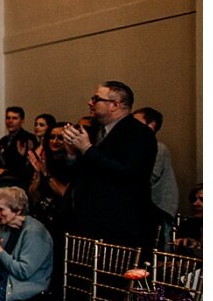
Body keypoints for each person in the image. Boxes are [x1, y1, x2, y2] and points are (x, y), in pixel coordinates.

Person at [63, 81, 156, 249]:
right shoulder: (95, 130)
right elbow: (85, 172)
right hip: (88, 222)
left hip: (118, 224)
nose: (90, 103)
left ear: (115, 105)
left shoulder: (139, 133)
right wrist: (71, 153)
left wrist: (87, 148)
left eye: (96, 99)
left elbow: (126, 170)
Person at [133, 106, 179, 243]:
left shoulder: (158, 148)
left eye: (136, 123)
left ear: (150, 126)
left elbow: (149, 177)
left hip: (156, 205)